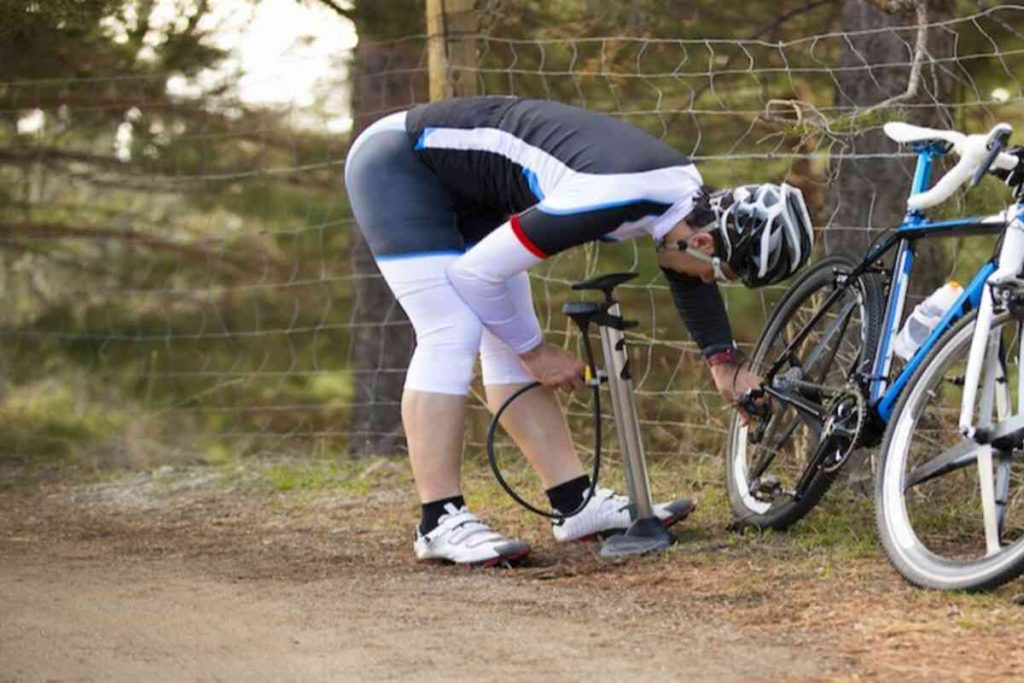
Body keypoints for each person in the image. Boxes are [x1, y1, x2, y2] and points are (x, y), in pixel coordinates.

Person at [344, 96, 813, 566]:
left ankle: (574, 504)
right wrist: (537, 353)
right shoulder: (607, 195)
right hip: (401, 165)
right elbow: (474, 276)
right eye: (721, 274)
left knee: (507, 328)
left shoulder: (684, 199)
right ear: (705, 240)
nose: (711, 282)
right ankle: (438, 521)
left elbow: (682, 263)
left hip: (468, 189)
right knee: (451, 328)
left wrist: (723, 365)